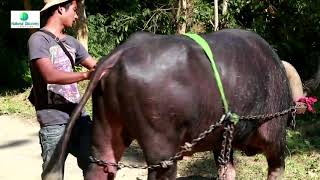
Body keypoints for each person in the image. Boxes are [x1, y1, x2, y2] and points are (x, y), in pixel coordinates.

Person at [27, 0, 96, 178]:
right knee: (53, 176)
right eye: (74, 10)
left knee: (95, 166)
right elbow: (50, 75)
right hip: (53, 122)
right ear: (60, 9)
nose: (77, 15)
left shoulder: (72, 42)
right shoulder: (38, 40)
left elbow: (94, 66)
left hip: (79, 117)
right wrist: (85, 76)